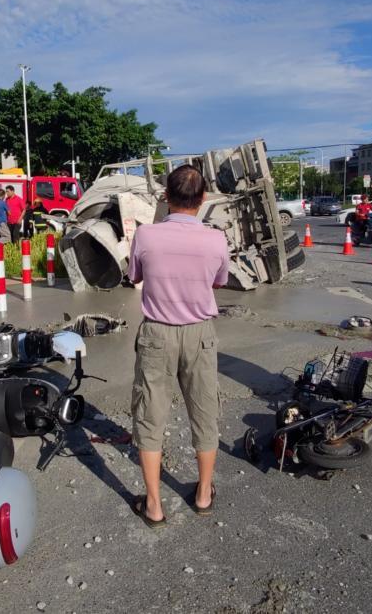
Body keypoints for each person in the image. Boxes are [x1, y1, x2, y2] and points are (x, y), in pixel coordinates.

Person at [128, 164, 229, 528]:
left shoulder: (145, 236)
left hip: (156, 334)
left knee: (150, 415)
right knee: (204, 413)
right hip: (200, 334)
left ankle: (154, 506)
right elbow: (219, 282)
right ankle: (203, 494)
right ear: (202, 200)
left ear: (166, 197)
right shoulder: (217, 239)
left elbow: (134, 277)